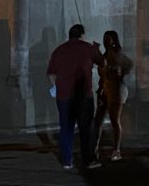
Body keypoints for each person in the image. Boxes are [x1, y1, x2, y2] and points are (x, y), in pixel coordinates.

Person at [47, 23, 102, 170]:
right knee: (86, 128)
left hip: (63, 96)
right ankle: (89, 160)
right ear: (82, 35)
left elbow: (51, 73)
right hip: (83, 96)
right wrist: (96, 47)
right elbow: (101, 61)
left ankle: (67, 160)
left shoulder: (58, 51)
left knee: (66, 128)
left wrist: (54, 88)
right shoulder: (88, 48)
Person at [92, 30, 133, 162]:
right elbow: (100, 65)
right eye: (104, 38)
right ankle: (94, 149)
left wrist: (121, 71)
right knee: (97, 121)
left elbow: (129, 65)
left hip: (116, 91)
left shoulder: (117, 55)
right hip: (104, 91)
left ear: (113, 40)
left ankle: (116, 150)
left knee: (114, 120)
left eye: (108, 39)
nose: (105, 41)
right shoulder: (104, 55)